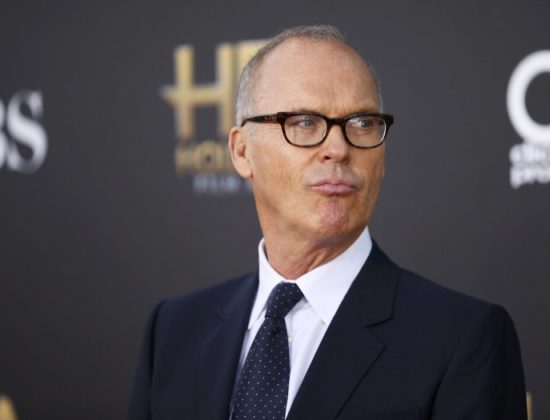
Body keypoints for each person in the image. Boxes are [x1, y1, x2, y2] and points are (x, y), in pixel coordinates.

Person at [129, 25, 527, 420]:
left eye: (362, 123)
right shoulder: (173, 330)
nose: (338, 148)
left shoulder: (461, 338)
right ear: (241, 151)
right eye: (305, 122)